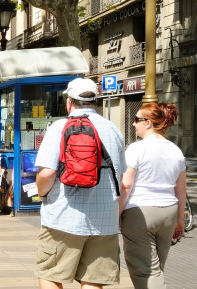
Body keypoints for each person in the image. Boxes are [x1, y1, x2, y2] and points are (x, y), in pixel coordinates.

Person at [34, 78, 126, 289]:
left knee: (51, 274)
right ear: (95, 101)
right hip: (104, 220)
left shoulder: (59, 127)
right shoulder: (113, 130)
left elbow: (47, 173)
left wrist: (42, 194)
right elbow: (121, 176)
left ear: (69, 102)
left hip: (63, 217)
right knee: (94, 279)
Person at [118, 103, 186, 289]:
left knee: (146, 271)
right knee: (157, 268)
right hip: (169, 213)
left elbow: (126, 184)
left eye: (137, 119)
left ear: (148, 123)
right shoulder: (176, 151)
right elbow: (180, 189)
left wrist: (117, 212)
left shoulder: (136, 149)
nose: (134, 124)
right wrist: (180, 218)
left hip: (140, 213)